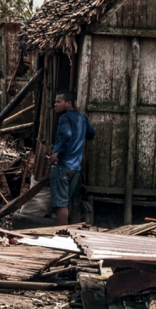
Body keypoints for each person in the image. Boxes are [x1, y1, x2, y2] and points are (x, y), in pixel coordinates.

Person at [49, 89, 95, 225]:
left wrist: (58, 155)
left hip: (63, 165)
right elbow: (91, 134)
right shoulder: (82, 117)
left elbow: (67, 135)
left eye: (59, 102)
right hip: (75, 167)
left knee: (60, 203)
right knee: (65, 200)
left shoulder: (65, 118)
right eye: (55, 102)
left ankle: (62, 234)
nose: (55, 104)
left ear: (68, 103)